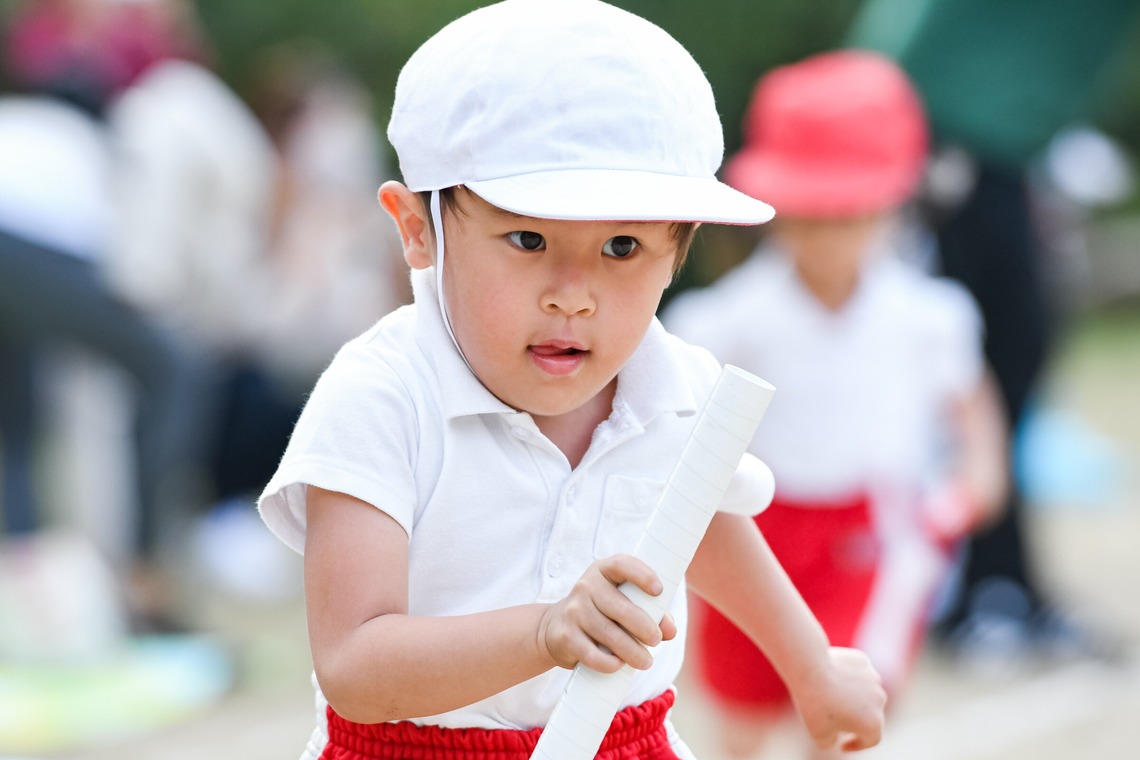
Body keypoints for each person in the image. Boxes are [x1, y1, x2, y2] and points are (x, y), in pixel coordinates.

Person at [257, 2, 887, 758]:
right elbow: (354, 661)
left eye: (623, 247)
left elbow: (698, 525)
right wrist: (545, 630)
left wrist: (811, 666)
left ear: (678, 252)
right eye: (528, 238)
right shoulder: (382, 396)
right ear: (416, 228)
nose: (574, 294)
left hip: (626, 739)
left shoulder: (673, 381)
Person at [662, 51, 1008, 759]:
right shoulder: (727, 319)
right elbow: (678, 425)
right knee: (745, 717)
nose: (829, 233)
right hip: (754, 530)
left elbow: (972, 409)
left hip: (870, 534)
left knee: (846, 714)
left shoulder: (928, 315)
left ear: (893, 204)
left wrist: (964, 496)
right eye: (810, 215)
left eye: (850, 213)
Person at [846, 0, 1140, 663]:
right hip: (948, 139)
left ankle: (997, 583)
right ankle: (980, 592)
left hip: (987, 144)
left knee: (1011, 362)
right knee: (977, 368)